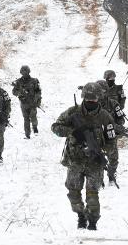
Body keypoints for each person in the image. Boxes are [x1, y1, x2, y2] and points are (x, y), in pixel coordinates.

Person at [51, 82, 123, 230]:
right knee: (73, 192)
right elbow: (55, 127)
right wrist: (72, 131)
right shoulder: (72, 112)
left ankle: (93, 221)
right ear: (83, 97)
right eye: (88, 98)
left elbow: (111, 139)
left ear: (99, 98)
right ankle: (81, 216)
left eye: (94, 98)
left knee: (92, 194)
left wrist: (102, 152)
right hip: (75, 161)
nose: (91, 101)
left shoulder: (105, 116)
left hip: (94, 162)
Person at [95, 77, 127, 185]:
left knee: (113, 158)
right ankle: (99, 180)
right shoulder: (91, 105)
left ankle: (111, 176)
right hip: (96, 136)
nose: (100, 94)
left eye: (102, 92)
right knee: (97, 158)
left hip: (110, 134)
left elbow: (121, 119)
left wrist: (116, 125)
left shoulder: (113, 104)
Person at [11, 65, 42, 139]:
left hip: (32, 102)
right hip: (24, 103)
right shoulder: (18, 82)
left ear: (28, 72)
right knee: (26, 118)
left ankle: (35, 128)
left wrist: (37, 100)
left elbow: (38, 91)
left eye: (26, 72)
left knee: (33, 116)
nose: (24, 73)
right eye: (23, 72)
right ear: (21, 72)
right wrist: (20, 94)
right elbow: (14, 91)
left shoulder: (34, 81)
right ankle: (27, 134)